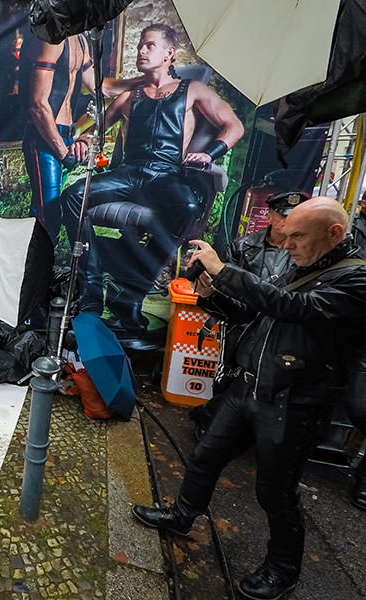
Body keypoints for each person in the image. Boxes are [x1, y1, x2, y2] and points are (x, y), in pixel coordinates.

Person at [133, 197, 366, 600]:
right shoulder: (303, 264)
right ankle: (182, 516)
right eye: (286, 235)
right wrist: (210, 293)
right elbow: (254, 313)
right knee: (205, 456)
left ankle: (283, 569)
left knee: (275, 491)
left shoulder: (356, 279)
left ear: (334, 233)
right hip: (247, 386)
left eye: (297, 236)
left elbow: (295, 308)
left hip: (294, 402)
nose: (287, 244)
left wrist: (224, 271)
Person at [59, 24, 244, 348]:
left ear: (169, 53)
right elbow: (95, 129)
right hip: (129, 173)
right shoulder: (129, 96)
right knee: (73, 196)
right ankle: (93, 279)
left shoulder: (193, 90)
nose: (141, 51)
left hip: (167, 174)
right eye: (140, 46)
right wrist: (85, 141)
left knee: (188, 207)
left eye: (149, 45)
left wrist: (209, 153)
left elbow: (234, 126)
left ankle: (129, 296)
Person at [190, 191, 310, 438]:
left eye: (294, 217)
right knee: (228, 380)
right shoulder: (244, 247)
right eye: (283, 216)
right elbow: (229, 298)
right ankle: (211, 426)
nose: (287, 223)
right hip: (242, 328)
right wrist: (209, 294)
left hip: (281, 332)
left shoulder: (307, 252)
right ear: (270, 215)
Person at [20, 32, 142, 245]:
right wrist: (62, 151)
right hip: (44, 138)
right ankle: (37, 266)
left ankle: (33, 262)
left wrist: (145, 79)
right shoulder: (51, 39)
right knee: (48, 217)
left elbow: (102, 88)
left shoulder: (80, 41)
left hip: (66, 134)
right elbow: (37, 105)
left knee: (44, 212)